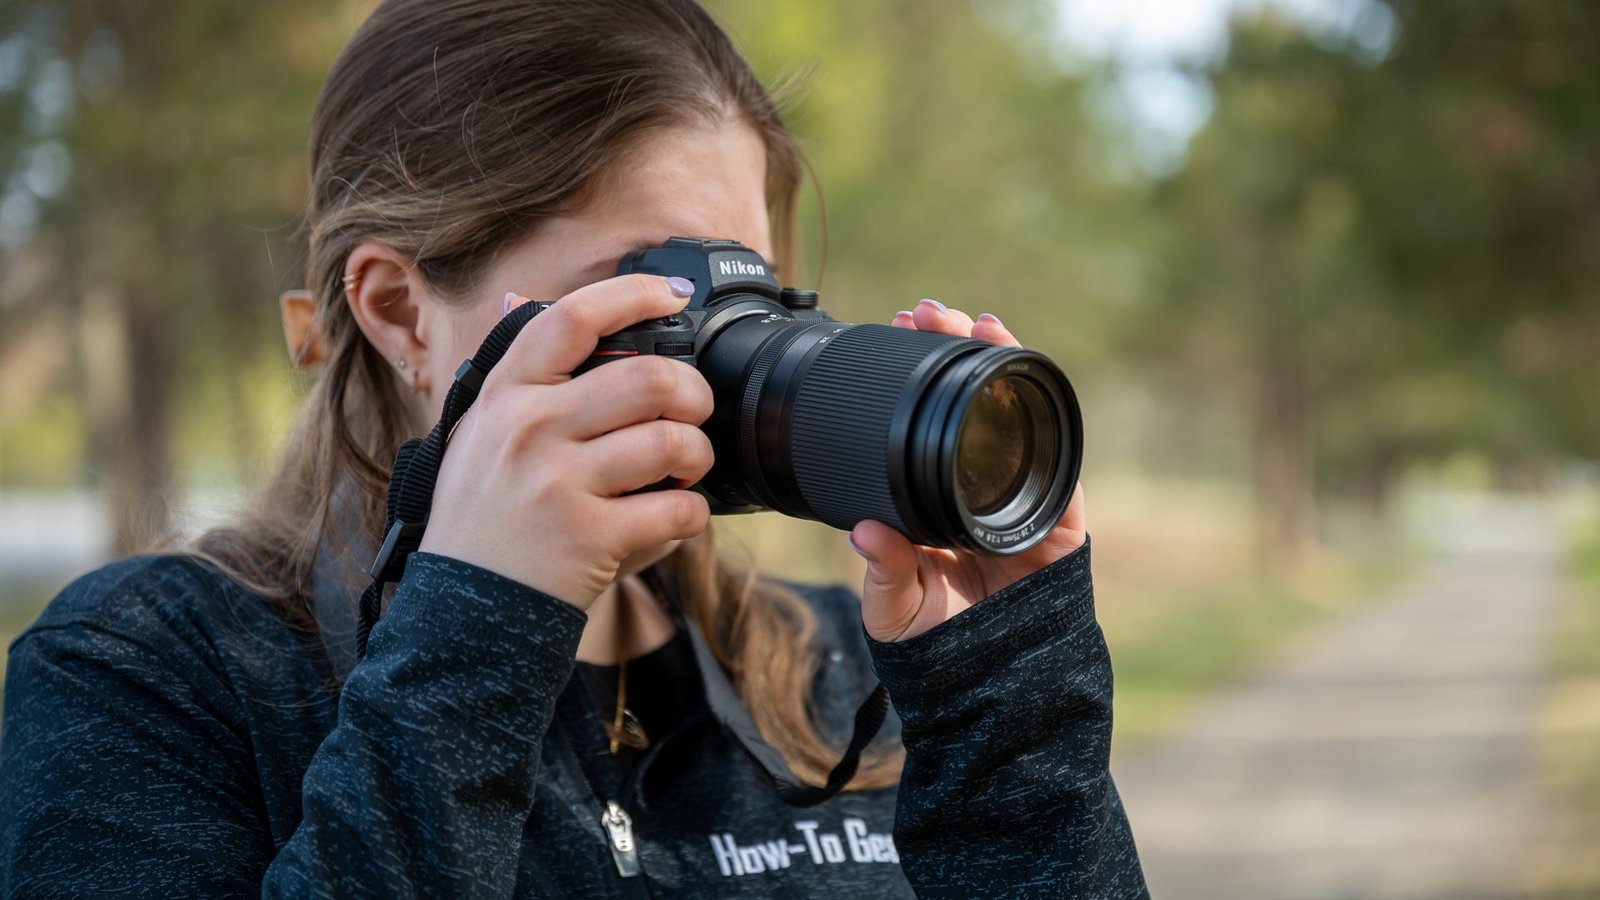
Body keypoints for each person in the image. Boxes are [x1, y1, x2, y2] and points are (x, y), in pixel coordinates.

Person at [0, 0, 1146, 896]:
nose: (721, 358)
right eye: (656, 294)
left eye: (752, 295)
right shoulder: (150, 675)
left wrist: (1011, 709)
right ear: (399, 312)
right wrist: (479, 629)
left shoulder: (846, 664)